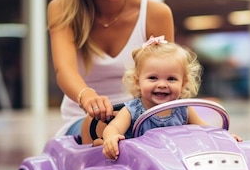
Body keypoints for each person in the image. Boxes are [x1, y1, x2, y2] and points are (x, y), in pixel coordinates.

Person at [48, 0, 174, 139]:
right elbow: (65, 70)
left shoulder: (156, 13)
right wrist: (88, 97)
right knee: (102, 125)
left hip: (142, 117)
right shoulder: (62, 10)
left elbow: (169, 73)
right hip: (85, 120)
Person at [101, 36, 242, 160]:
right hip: (140, 165)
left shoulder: (182, 109)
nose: (162, 84)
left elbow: (206, 130)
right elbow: (113, 127)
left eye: (171, 79)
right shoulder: (133, 110)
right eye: (153, 78)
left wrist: (224, 138)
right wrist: (111, 137)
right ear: (138, 82)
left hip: (176, 164)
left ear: (183, 83)